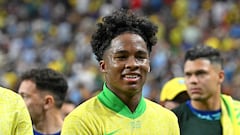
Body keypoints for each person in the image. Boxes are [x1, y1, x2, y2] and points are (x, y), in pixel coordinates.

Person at [61, 9, 180, 135]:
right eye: (121, 57)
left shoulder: (167, 120)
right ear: (103, 66)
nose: (133, 64)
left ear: (149, 64)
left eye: (140, 57)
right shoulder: (81, 121)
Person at [172, 45, 240, 135]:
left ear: (220, 76)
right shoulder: (173, 120)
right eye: (188, 75)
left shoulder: (237, 113)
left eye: (201, 73)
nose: (193, 80)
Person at [18, 68, 68, 135]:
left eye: (24, 96)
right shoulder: (17, 132)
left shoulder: (77, 132)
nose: (18, 103)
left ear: (47, 102)